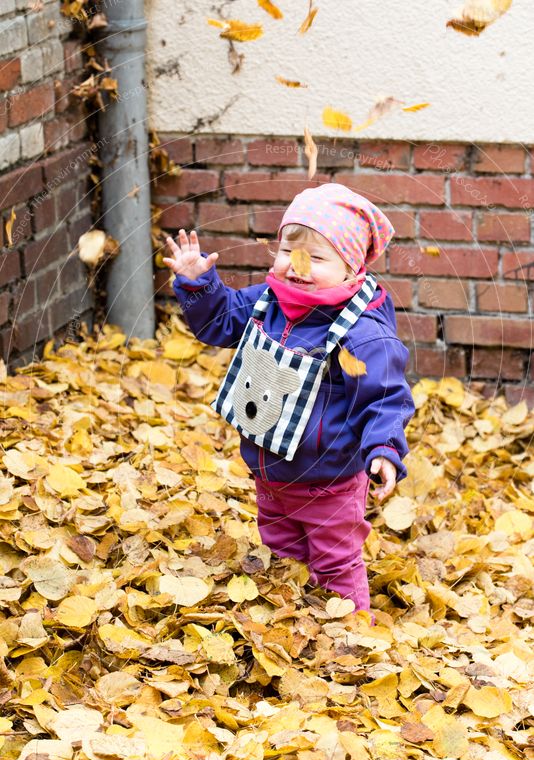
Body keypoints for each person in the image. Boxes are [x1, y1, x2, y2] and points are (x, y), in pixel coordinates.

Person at [164, 182, 415, 624]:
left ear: (351, 267)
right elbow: (220, 324)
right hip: (269, 467)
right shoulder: (268, 302)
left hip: (329, 478)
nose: (297, 267)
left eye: (316, 258)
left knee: (334, 561)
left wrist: (385, 450)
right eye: (287, 252)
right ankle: (294, 621)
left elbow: (385, 397)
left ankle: (351, 635)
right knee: (282, 550)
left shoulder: (362, 332)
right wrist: (199, 285)